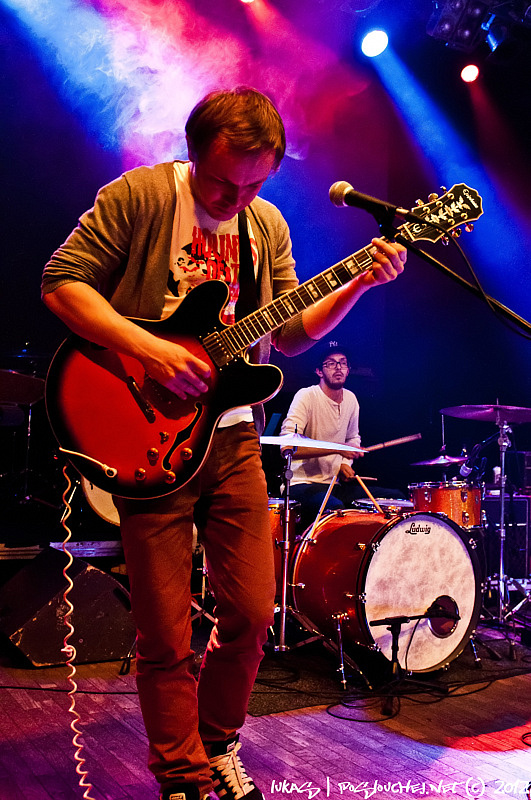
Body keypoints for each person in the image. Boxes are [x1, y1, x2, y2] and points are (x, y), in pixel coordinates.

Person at [41, 87, 406, 800]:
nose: (234, 197)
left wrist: (358, 283)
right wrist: (146, 347)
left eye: (254, 183)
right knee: (165, 630)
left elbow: (291, 333)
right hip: (149, 439)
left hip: (234, 438)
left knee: (248, 612)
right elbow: (61, 284)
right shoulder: (138, 197)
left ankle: (214, 748)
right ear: (191, 152)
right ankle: (179, 778)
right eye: (219, 181)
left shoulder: (263, 225)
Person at [280, 341, 405, 530]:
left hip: (334, 484)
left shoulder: (351, 399)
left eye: (343, 363)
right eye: (330, 363)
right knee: (334, 509)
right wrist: (338, 449)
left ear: (348, 370)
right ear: (319, 371)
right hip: (302, 484)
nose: (338, 367)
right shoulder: (306, 396)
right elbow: (288, 447)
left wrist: (345, 464)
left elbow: (353, 438)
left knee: (397, 498)